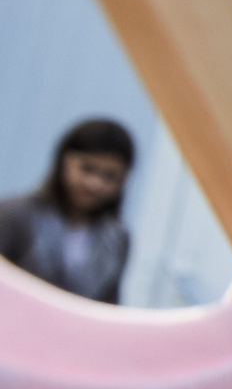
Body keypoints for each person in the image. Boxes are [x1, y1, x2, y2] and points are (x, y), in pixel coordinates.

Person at [0, 117, 136, 303]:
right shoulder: (14, 215)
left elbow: (107, 309)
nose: (94, 184)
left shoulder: (116, 239)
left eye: (110, 176)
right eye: (87, 169)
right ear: (63, 161)